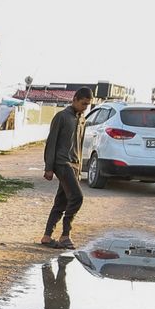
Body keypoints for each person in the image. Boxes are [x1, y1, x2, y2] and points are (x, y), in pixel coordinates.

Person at [41, 87, 94, 248]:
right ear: (75, 99)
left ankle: (47, 236)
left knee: (61, 201)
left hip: (74, 165)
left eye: (87, 105)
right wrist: (48, 167)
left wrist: (79, 168)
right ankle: (65, 235)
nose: (85, 107)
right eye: (83, 104)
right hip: (62, 163)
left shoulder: (82, 119)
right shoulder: (62, 117)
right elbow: (51, 143)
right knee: (77, 197)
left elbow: (79, 144)